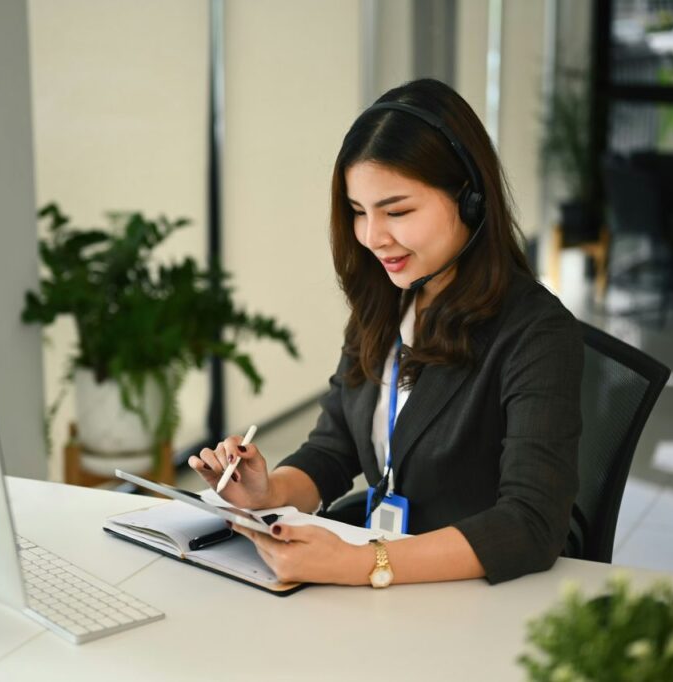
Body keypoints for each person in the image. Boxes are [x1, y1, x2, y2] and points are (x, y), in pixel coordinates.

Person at [189, 79, 582, 587]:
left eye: (397, 211)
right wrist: (268, 493)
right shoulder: (389, 300)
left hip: (475, 597)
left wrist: (359, 564)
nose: (373, 237)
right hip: (390, 587)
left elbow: (529, 524)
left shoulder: (537, 334)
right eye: (358, 212)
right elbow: (333, 452)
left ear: (471, 201)